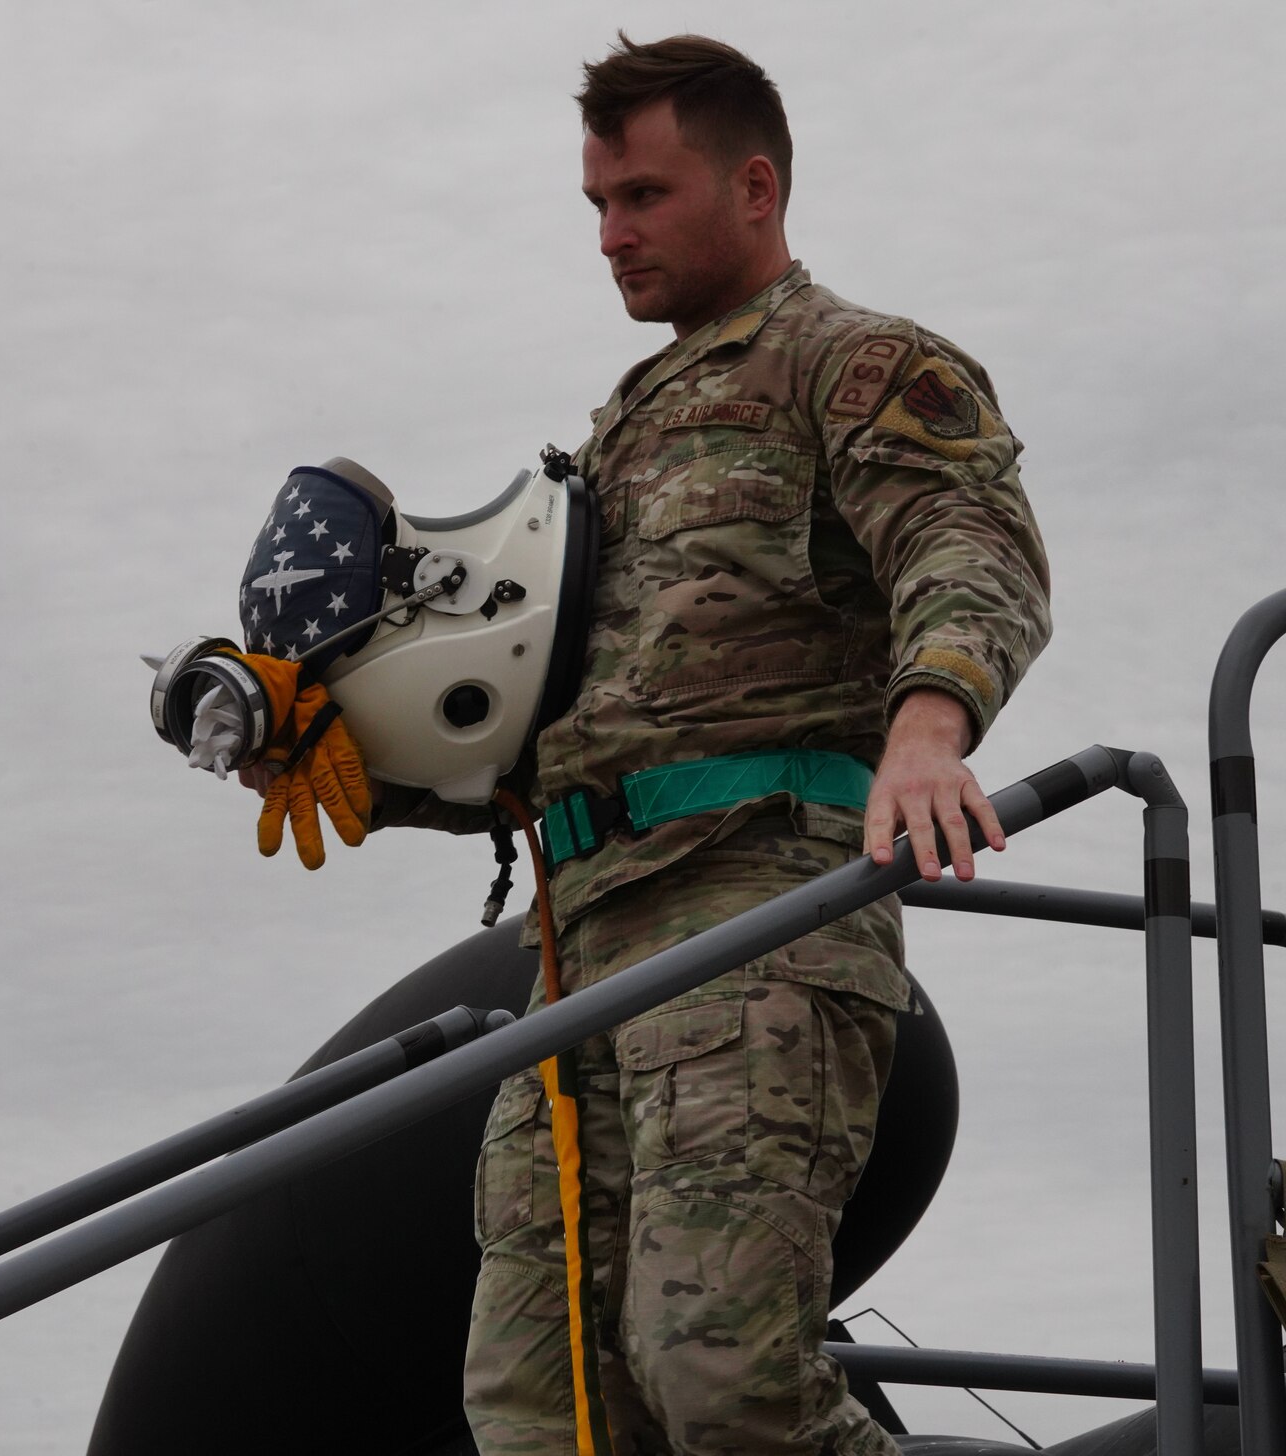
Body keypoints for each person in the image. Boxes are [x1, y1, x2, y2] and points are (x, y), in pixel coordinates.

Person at [357, 31, 1054, 1456]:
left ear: (754, 187)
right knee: (540, 1419)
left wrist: (932, 728)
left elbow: (970, 547)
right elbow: (567, 714)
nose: (612, 237)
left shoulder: (854, 362)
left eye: (645, 198)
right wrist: (366, 766)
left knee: (723, 1388)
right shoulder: (621, 432)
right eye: (598, 205)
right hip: (580, 958)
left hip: (756, 927)